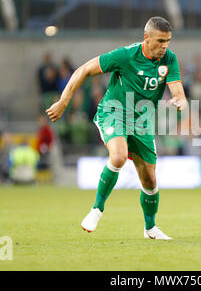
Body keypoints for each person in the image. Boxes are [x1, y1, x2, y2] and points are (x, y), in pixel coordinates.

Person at [46, 16, 187, 240]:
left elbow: (178, 91)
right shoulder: (125, 56)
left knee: (150, 179)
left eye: (168, 41)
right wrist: (63, 102)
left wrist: (180, 101)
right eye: (160, 41)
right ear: (146, 38)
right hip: (114, 112)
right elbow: (83, 69)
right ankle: (96, 209)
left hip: (142, 122)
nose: (165, 46)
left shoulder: (169, 59)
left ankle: (150, 229)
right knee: (119, 156)